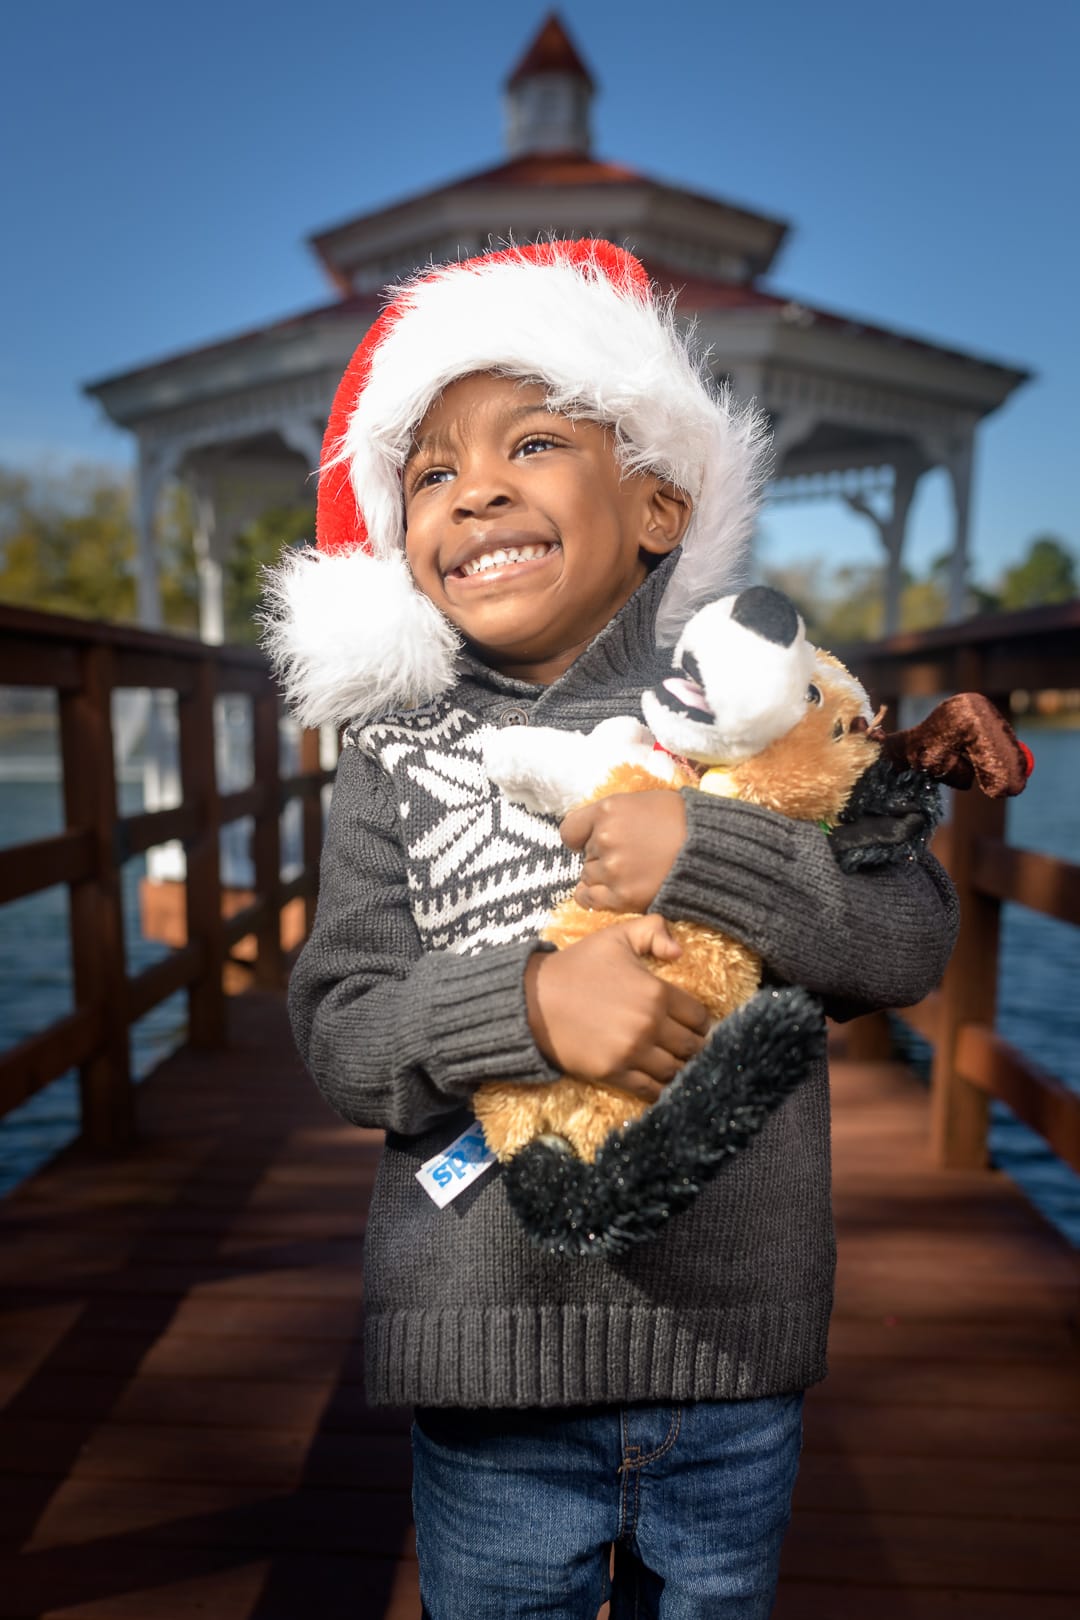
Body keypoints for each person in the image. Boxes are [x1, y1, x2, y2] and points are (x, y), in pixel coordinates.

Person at [266, 240, 958, 1619]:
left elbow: (905, 941)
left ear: (654, 506)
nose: (479, 493)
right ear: (400, 539)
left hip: (729, 1356)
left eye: (533, 440)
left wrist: (708, 846)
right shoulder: (389, 750)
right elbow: (342, 1029)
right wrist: (522, 1008)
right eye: (432, 474)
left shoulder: (763, 709)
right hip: (488, 1365)